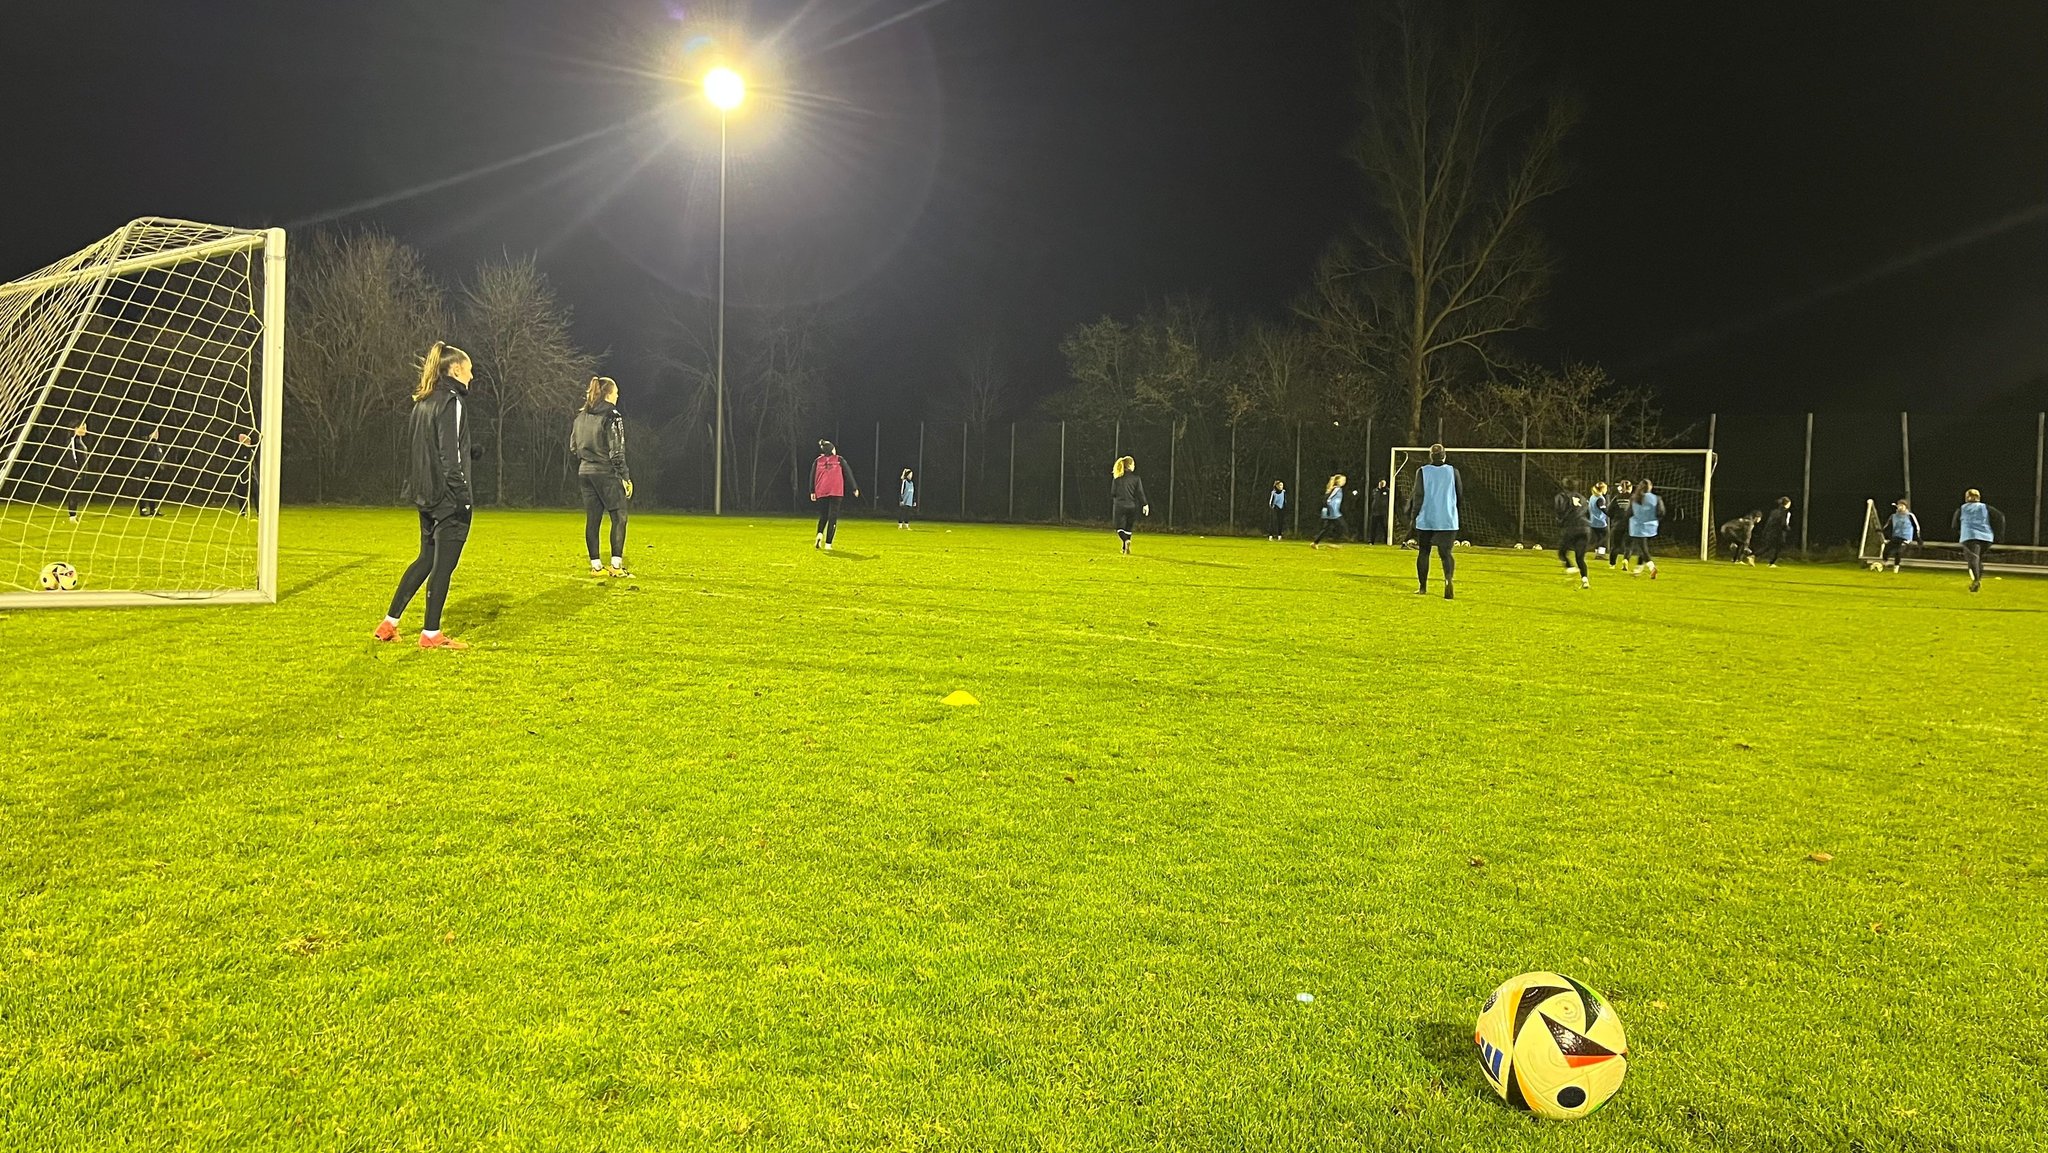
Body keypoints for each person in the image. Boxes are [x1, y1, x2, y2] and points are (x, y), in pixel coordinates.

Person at [374, 341, 475, 650]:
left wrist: (472, 451)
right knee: (443, 566)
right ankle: (431, 634)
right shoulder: (452, 401)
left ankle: (389, 624)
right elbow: (448, 456)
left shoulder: (424, 401)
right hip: (447, 497)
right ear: (456, 369)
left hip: (425, 494)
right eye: (469, 369)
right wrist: (462, 497)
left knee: (425, 559)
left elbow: (429, 449)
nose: (472, 375)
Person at [570, 376, 633, 577]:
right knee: (619, 516)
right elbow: (617, 451)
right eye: (616, 393)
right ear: (608, 394)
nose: (617, 396)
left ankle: (596, 566)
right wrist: (625, 476)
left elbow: (573, 446)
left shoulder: (581, 416)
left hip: (585, 471)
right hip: (606, 472)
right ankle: (616, 566)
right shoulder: (612, 415)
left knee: (593, 520)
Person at [1407, 443, 1462, 599]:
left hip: (1427, 518)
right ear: (1444, 456)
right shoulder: (1453, 471)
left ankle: (1423, 587)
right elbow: (1459, 494)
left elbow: (1418, 496)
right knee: (1446, 553)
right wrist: (1452, 510)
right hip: (1448, 519)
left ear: (1430, 456)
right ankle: (1448, 580)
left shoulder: (1422, 472)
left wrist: (1413, 516)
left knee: (1424, 552)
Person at [1953, 488, 2006, 593]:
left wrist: (1959, 532)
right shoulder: (1986, 507)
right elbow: (2001, 517)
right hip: (1986, 538)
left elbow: (1954, 525)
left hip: (1969, 536)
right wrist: (2000, 534)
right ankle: (1977, 581)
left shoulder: (1962, 508)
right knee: (1978, 559)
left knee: (1973, 559)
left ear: (1966, 497)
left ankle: (1976, 581)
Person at [810, 440, 859, 550]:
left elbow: (812, 475)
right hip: (836, 491)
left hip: (821, 491)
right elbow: (848, 473)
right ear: (832, 449)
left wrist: (812, 491)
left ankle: (819, 534)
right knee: (833, 517)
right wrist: (854, 487)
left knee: (823, 515)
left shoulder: (818, 461)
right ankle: (828, 544)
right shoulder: (839, 459)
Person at [1554, 480, 1593, 589]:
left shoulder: (1561, 497)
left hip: (1571, 528)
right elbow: (1588, 513)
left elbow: (1560, 511)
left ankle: (1571, 569)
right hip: (1585, 529)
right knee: (1580, 558)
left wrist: (1560, 522)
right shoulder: (1583, 498)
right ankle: (1585, 580)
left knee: (1562, 553)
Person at [1110, 455, 1149, 554]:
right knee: (1128, 528)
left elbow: (1113, 493)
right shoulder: (1136, 478)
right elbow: (1140, 493)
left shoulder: (1117, 478)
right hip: (1132, 506)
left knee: (1119, 528)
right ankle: (1125, 548)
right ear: (1130, 465)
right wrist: (1145, 504)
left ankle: (1125, 541)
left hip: (1120, 506)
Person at [1626, 479, 1664, 578]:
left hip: (1637, 526)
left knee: (1643, 549)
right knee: (1642, 548)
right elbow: (1661, 512)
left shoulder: (1634, 498)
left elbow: (1628, 513)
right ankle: (1637, 570)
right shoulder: (1656, 498)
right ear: (1650, 487)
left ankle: (1652, 568)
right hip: (1651, 527)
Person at [58, 420, 92, 521]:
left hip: (79, 471)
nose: (85, 430)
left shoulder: (79, 440)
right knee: (73, 493)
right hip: (73, 471)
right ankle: (72, 516)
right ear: (76, 429)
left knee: (76, 493)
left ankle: (74, 515)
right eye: (83, 427)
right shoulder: (72, 441)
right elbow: (72, 456)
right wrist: (76, 470)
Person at [136, 426, 169, 517]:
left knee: (154, 492)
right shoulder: (145, 445)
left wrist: (162, 467)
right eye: (155, 432)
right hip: (146, 471)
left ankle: (153, 510)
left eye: (157, 433)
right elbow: (144, 457)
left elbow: (161, 458)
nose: (157, 434)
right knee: (145, 491)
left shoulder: (158, 446)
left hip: (156, 472)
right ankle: (143, 510)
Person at [1881, 499, 1919, 573]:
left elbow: (1916, 527)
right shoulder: (1893, 516)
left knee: (1898, 551)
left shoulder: (1910, 516)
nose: (1900, 507)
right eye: (1899, 505)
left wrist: (1918, 538)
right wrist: (1881, 530)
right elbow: (1887, 525)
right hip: (1896, 536)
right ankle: (1884, 563)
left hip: (1906, 538)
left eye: (1902, 505)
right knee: (1886, 548)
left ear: (1906, 507)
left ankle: (1896, 567)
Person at [1756, 496, 1794, 566]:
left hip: (1771, 532)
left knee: (1769, 546)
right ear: (1787, 504)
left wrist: (1765, 531)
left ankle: (1754, 556)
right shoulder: (1786, 512)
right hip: (1779, 533)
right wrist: (1788, 529)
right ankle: (1770, 562)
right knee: (1778, 548)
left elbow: (1769, 522)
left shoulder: (1774, 512)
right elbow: (1784, 523)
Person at [1312, 473, 1347, 548]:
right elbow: (1328, 499)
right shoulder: (1336, 489)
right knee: (1343, 527)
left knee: (1326, 529)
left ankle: (1315, 543)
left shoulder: (1336, 488)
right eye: (1343, 480)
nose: (1344, 481)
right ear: (1338, 481)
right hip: (1333, 512)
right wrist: (1330, 509)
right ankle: (1335, 542)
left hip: (1333, 512)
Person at [1605, 480, 1634, 567]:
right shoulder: (1635, 498)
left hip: (1618, 524)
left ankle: (1612, 564)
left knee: (1616, 545)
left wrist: (1614, 518)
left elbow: (1609, 511)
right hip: (1631, 524)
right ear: (1630, 488)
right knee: (1629, 545)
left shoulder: (1616, 498)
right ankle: (1625, 560)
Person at [234, 430, 257, 516]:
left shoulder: (252, 450)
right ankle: (242, 511)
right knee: (242, 493)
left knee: (255, 493)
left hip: (252, 476)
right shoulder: (242, 451)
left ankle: (258, 511)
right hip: (243, 476)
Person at [1587, 481, 1611, 558]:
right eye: (1606, 488)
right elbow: (1603, 509)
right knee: (1605, 536)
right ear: (1602, 489)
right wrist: (1612, 515)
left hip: (1592, 521)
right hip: (1599, 522)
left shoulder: (1592, 497)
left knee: (1598, 537)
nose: (1606, 490)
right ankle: (1600, 554)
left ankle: (1597, 552)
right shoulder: (1600, 498)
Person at [1366, 478, 1389, 544]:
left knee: (1385, 527)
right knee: (1373, 527)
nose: (1382, 483)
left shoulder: (1387, 491)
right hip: (1375, 512)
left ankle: (1386, 540)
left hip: (1383, 512)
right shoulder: (1375, 490)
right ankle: (1371, 541)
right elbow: (1372, 499)